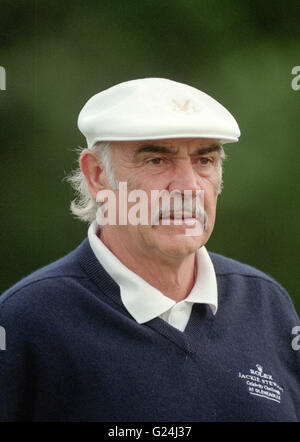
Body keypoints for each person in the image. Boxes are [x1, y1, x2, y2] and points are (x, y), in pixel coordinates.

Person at [0, 78, 299, 422]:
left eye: (204, 161)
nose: (188, 187)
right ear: (97, 176)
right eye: (157, 160)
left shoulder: (266, 304)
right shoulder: (25, 322)